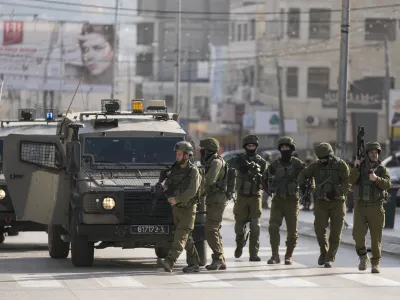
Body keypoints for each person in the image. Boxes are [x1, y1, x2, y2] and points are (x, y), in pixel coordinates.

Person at [298, 142, 349, 268]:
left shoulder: (341, 165)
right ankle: (323, 251)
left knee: (335, 232)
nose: (323, 160)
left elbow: (347, 182)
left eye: (325, 158)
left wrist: (335, 192)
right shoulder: (315, 165)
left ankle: (330, 258)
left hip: (337, 202)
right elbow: (303, 175)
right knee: (319, 229)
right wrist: (304, 186)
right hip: (321, 202)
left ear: (330, 155)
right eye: (320, 158)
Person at [158, 141, 202, 273]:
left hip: (188, 208)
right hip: (176, 208)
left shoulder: (193, 171)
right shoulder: (174, 170)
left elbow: (192, 191)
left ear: (187, 156)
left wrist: (177, 199)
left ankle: (170, 261)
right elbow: (168, 185)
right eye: (176, 154)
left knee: (180, 235)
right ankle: (194, 264)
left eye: (180, 154)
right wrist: (163, 188)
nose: (177, 156)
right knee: (186, 237)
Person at [349, 142, 390, 273]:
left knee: (376, 237)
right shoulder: (360, 167)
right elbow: (351, 180)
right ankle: (363, 256)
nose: (374, 154)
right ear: (366, 154)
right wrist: (355, 167)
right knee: (357, 234)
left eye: (376, 152)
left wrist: (376, 179)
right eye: (371, 152)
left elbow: (388, 184)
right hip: (361, 206)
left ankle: (375, 263)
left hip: (376, 206)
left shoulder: (382, 169)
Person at [227, 135, 267, 261]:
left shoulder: (261, 162)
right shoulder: (239, 159)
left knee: (255, 227)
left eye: (253, 146)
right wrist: (239, 164)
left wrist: (263, 182)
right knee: (239, 227)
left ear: (256, 147)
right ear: (245, 147)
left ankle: (253, 253)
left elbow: (266, 179)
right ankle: (240, 244)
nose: (251, 148)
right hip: (242, 197)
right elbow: (227, 164)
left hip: (255, 197)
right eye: (249, 146)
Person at [267, 137, 305, 265]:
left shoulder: (298, 164)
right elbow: (265, 177)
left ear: (291, 148)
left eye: (287, 147)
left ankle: (288, 255)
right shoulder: (275, 164)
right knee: (273, 227)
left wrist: (306, 191)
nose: (284, 149)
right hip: (277, 201)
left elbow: (308, 177)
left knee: (292, 232)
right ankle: (274, 255)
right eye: (282, 147)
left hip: (292, 201)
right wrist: (269, 188)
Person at [199, 137, 227, 270]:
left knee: (211, 229)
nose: (201, 152)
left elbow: (209, 180)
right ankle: (221, 259)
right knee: (214, 229)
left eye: (203, 150)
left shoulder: (216, 162)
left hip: (217, 199)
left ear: (209, 150)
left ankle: (217, 258)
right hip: (213, 199)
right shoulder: (210, 162)